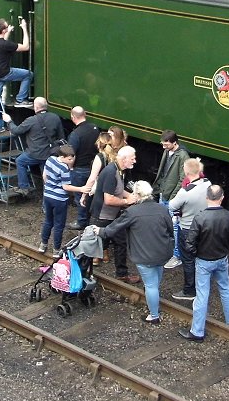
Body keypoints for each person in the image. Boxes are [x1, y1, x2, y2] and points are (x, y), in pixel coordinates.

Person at [96, 181, 174, 324]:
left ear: (137, 195)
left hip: (144, 256)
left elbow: (112, 229)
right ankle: (154, 301)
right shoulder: (162, 209)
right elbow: (170, 229)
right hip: (163, 252)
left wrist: (99, 231)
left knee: (150, 285)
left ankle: (154, 315)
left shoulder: (132, 212)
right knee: (155, 281)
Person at [178, 184, 229, 342]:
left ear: (207, 198)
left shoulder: (200, 217)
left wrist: (197, 254)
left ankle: (197, 331)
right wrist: (226, 250)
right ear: (222, 198)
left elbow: (189, 243)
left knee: (202, 295)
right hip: (221, 259)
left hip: (204, 261)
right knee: (225, 291)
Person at [90, 146, 140, 282]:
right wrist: (126, 201)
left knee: (121, 242)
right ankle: (82, 274)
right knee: (92, 245)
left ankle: (122, 274)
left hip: (113, 215)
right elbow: (109, 199)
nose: (135, 161)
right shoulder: (111, 172)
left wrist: (133, 196)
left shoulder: (120, 170)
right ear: (124, 159)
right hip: (102, 216)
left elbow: (119, 189)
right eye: (132, 158)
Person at [167, 158, 210, 301]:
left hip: (187, 229)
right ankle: (202, 285)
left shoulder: (185, 192)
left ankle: (189, 290)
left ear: (186, 172)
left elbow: (172, 206)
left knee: (188, 260)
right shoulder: (208, 184)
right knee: (200, 257)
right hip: (204, 227)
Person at [8, 97, 65, 197]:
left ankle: (24, 187)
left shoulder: (31, 120)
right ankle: (47, 201)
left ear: (36, 107)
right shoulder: (55, 117)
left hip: (34, 154)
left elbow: (16, 131)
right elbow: (61, 137)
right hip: (49, 153)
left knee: (20, 161)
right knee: (46, 178)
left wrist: (9, 121)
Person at [0, 17, 32, 132]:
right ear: (3, 30)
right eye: (6, 27)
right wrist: (25, 29)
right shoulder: (6, 45)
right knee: (28, 74)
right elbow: (26, 47)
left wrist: (8, 31)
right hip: (4, 73)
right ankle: (21, 99)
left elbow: (2, 42)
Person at [153, 130, 189, 269]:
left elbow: (182, 179)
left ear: (175, 142)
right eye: (162, 144)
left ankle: (176, 256)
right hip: (164, 193)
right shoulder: (167, 151)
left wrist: (174, 196)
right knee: (164, 223)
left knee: (174, 227)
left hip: (171, 197)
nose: (163, 147)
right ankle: (165, 251)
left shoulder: (183, 156)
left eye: (166, 144)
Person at [39, 145, 83, 254]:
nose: (72, 160)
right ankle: (56, 249)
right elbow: (66, 187)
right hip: (59, 199)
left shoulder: (50, 159)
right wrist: (81, 189)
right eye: (69, 158)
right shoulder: (64, 168)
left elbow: (45, 175)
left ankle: (43, 245)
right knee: (59, 224)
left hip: (47, 195)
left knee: (48, 221)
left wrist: (49, 187)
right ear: (62, 156)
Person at [66, 106, 99, 230]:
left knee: (80, 197)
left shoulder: (75, 134)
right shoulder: (95, 128)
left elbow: (71, 155)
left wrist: (70, 167)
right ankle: (90, 218)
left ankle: (81, 221)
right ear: (85, 114)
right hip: (93, 167)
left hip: (79, 169)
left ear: (73, 117)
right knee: (90, 194)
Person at [73, 130, 113, 231]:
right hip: (110, 190)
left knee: (95, 216)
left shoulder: (99, 157)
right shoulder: (114, 156)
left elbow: (92, 178)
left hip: (99, 191)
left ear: (98, 143)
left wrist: (83, 195)